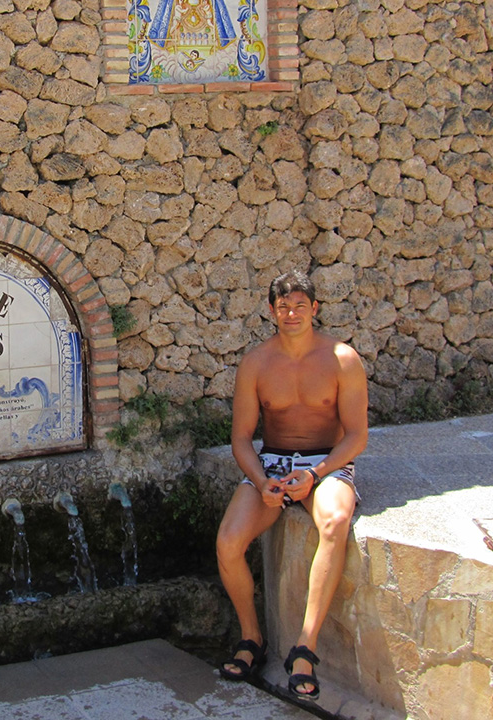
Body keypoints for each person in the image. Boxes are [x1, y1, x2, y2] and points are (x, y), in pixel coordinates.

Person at [216, 269, 368, 702]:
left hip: (326, 462)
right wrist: (262, 481)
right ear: (271, 311)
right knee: (228, 541)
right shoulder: (257, 363)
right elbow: (242, 437)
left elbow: (357, 435)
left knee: (336, 522)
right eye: (283, 306)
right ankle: (252, 638)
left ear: (315, 309)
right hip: (274, 463)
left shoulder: (342, 358)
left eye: (300, 304)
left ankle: (305, 648)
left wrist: (317, 475)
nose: (292, 313)